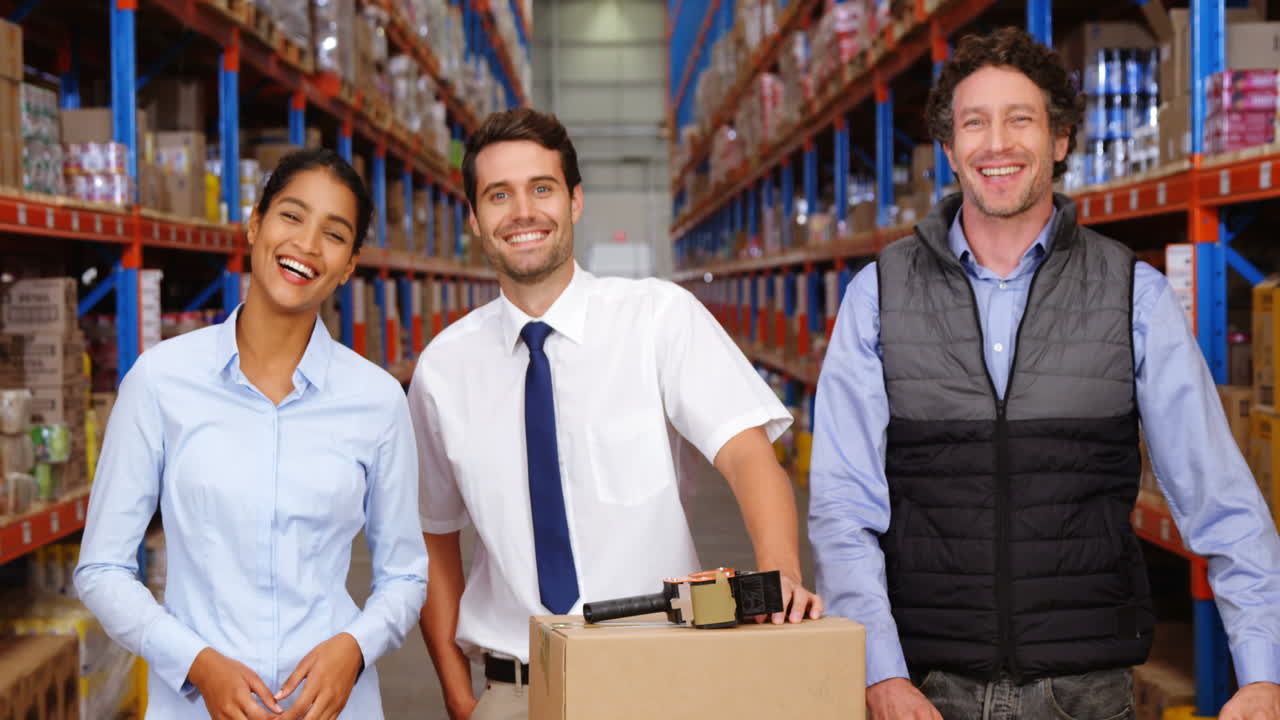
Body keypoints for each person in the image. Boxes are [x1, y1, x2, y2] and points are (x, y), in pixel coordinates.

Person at [809, 27, 1280, 720]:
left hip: (1085, 694)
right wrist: (879, 670)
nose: (996, 143)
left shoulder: (1132, 293)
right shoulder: (879, 297)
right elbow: (842, 508)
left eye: (1019, 119)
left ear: (1060, 140)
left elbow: (1220, 499)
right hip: (926, 691)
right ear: (949, 148)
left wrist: (1262, 673)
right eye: (974, 123)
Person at [408, 107, 823, 720]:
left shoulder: (658, 318)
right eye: (499, 195)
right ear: (474, 218)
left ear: (574, 202)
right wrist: (457, 692)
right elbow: (432, 534)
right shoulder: (443, 369)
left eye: (541, 188)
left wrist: (779, 573)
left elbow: (747, 455)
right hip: (516, 688)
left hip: (662, 677)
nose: (523, 212)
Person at [75, 149, 429, 720]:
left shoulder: (377, 400)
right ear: (254, 223)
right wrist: (198, 664)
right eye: (291, 216)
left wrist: (353, 650)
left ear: (348, 265)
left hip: (333, 708)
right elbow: (102, 568)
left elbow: (405, 575)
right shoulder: (162, 381)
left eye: (333, 234)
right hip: (194, 707)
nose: (307, 245)